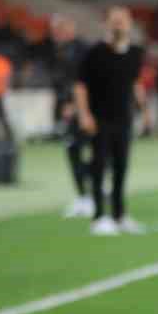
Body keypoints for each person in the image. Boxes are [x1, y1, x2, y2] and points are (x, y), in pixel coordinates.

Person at [75, 7, 147, 235]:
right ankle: (99, 216)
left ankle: (119, 214)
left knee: (121, 167)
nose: (118, 25)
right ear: (106, 24)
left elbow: (135, 83)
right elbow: (80, 85)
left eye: (122, 21)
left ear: (129, 24)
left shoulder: (135, 52)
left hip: (123, 119)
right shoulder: (94, 52)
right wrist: (84, 114)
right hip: (100, 118)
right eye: (114, 21)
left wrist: (144, 110)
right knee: (98, 167)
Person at [49, 17, 92, 217]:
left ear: (69, 28)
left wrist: (76, 106)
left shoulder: (82, 50)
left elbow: (86, 81)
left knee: (95, 151)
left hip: (85, 110)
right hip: (68, 110)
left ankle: (92, 194)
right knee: (72, 150)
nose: (55, 33)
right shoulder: (60, 51)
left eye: (59, 29)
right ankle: (83, 196)